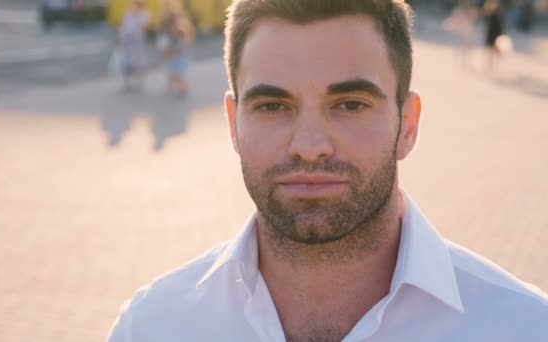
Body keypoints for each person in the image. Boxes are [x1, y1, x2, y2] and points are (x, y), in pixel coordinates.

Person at [108, 1, 548, 341]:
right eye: (273, 106)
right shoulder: (152, 326)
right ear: (233, 124)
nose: (310, 147)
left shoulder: (524, 328)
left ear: (408, 125)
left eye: (350, 105)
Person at [118, 0, 150, 92]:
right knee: (127, 60)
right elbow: (122, 27)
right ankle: (128, 81)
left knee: (139, 60)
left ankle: (139, 80)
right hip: (127, 42)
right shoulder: (127, 14)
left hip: (138, 42)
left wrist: (136, 18)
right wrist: (121, 38)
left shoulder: (144, 14)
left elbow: (143, 27)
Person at [164, 17, 194, 97]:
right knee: (174, 75)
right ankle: (179, 88)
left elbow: (177, 51)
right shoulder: (180, 39)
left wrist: (170, 53)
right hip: (177, 60)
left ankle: (183, 89)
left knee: (177, 76)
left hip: (178, 60)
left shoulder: (182, 40)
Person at [483, 0, 505, 71]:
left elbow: (499, 27)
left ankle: (496, 65)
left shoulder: (496, 16)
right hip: (491, 35)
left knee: (495, 50)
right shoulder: (489, 15)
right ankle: (491, 66)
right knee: (491, 51)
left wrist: (500, 35)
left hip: (495, 35)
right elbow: (487, 26)